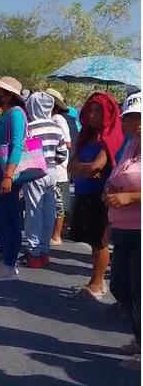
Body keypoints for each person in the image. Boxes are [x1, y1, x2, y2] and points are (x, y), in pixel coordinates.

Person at [69, 92, 123, 299]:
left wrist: (80, 168)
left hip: (100, 196)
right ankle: (95, 279)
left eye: (98, 111)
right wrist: (83, 169)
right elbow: (71, 165)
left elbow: (96, 166)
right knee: (92, 240)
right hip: (84, 194)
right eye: (90, 109)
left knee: (100, 240)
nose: (92, 114)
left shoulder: (108, 138)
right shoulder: (86, 136)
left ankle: (98, 282)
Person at [104, 94, 141, 370]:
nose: (136, 122)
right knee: (120, 286)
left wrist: (130, 198)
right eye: (130, 117)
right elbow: (116, 178)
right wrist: (112, 191)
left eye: (140, 117)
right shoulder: (130, 147)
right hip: (122, 228)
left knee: (139, 291)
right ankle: (139, 339)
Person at [0, 76, 26, 282]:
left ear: (9, 95)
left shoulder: (16, 114)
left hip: (9, 175)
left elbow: (17, 145)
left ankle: (10, 265)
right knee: (1, 218)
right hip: (1, 174)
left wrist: (8, 175)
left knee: (11, 220)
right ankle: (4, 260)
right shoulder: (7, 114)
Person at [21, 92, 67, 268]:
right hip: (52, 172)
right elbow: (62, 154)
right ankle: (44, 250)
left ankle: (33, 253)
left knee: (33, 213)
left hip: (34, 172)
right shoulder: (56, 127)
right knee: (49, 212)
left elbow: (26, 153)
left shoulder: (30, 127)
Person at [45, 89, 73, 246]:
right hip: (51, 168)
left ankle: (56, 235)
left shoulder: (58, 120)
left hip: (58, 168)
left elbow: (67, 143)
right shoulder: (51, 119)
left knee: (57, 203)